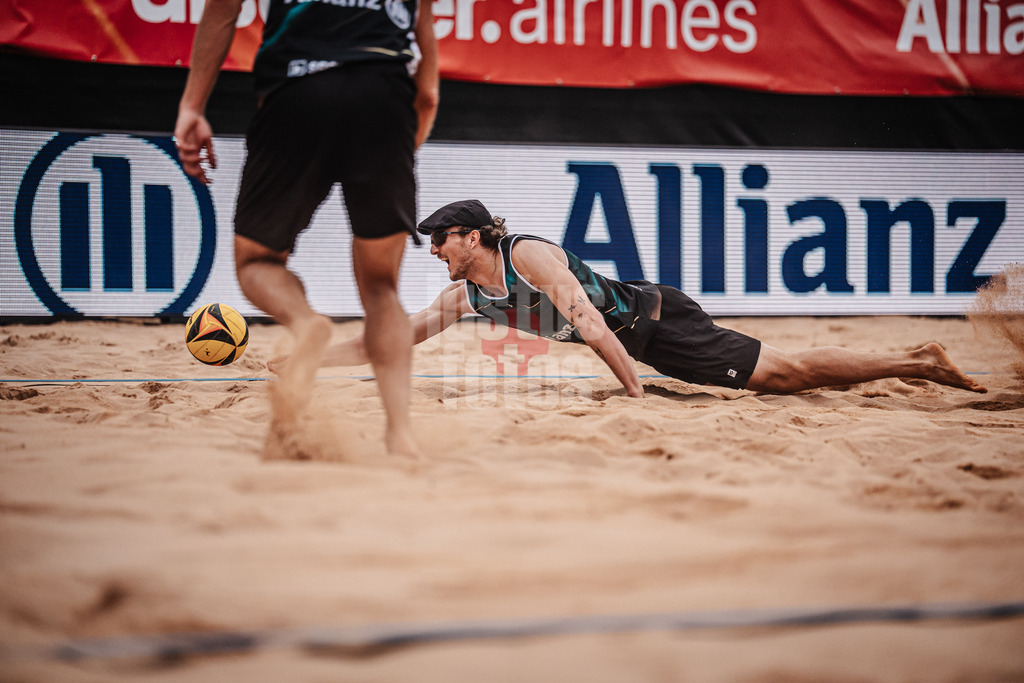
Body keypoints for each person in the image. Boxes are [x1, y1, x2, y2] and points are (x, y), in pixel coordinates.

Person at [271, 199, 987, 398]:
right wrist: (313, 362)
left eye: (440, 240)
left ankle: (916, 360)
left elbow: (587, 321)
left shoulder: (528, 255)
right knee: (783, 375)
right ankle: (914, 359)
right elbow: (390, 339)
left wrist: (635, 393)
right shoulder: (467, 295)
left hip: (655, 325)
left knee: (786, 375)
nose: (432, 251)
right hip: (646, 338)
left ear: (470, 236)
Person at [174, 0, 439, 457]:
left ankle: (306, 322)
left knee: (256, 261)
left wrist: (192, 106)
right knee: (381, 289)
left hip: (296, 90)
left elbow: (222, 11)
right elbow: (429, 90)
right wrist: (399, 144)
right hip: (384, 96)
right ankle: (400, 434)